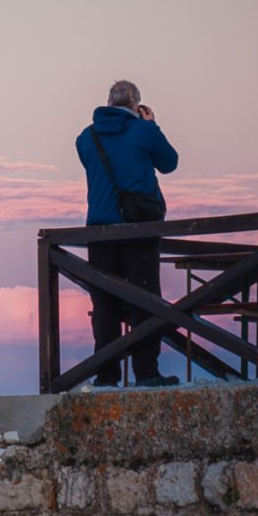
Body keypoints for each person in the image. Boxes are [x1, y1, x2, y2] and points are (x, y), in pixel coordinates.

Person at [75, 80, 179, 388]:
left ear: (108, 102)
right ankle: (146, 373)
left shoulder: (86, 137)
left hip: (100, 232)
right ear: (136, 105)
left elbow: (91, 165)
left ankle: (106, 376)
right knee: (144, 302)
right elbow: (169, 163)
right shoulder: (144, 131)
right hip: (139, 230)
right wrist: (152, 127)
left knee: (105, 305)